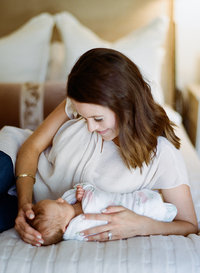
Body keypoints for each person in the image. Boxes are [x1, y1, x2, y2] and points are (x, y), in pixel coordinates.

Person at [13, 48, 197, 247]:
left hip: (40, 215)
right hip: (16, 164)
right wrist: (23, 203)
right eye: (84, 118)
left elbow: (188, 225)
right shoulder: (80, 102)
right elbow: (31, 147)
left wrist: (142, 226)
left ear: (126, 105)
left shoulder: (161, 155)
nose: (90, 127)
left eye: (98, 119)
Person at [29, 184, 177, 245]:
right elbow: (92, 228)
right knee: (144, 208)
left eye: (56, 200)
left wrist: (82, 192)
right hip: (127, 214)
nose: (60, 199)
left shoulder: (71, 200)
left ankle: (162, 208)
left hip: (124, 201)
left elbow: (92, 189)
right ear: (64, 228)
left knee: (132, 200)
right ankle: (161, 212)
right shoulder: (77, 229)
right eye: (58, 204)